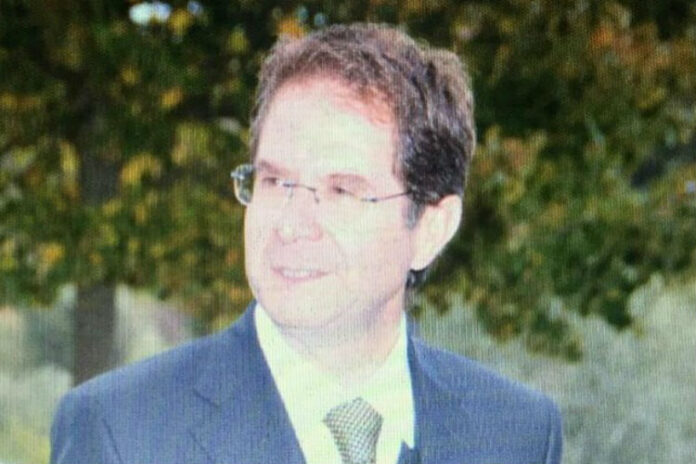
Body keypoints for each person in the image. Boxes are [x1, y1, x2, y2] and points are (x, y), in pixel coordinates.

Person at [51, 23, 562, 464]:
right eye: (275, 181)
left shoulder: (515, 434)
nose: (292, 224)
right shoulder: (123, 432)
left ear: (431, 227)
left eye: (342, 191)